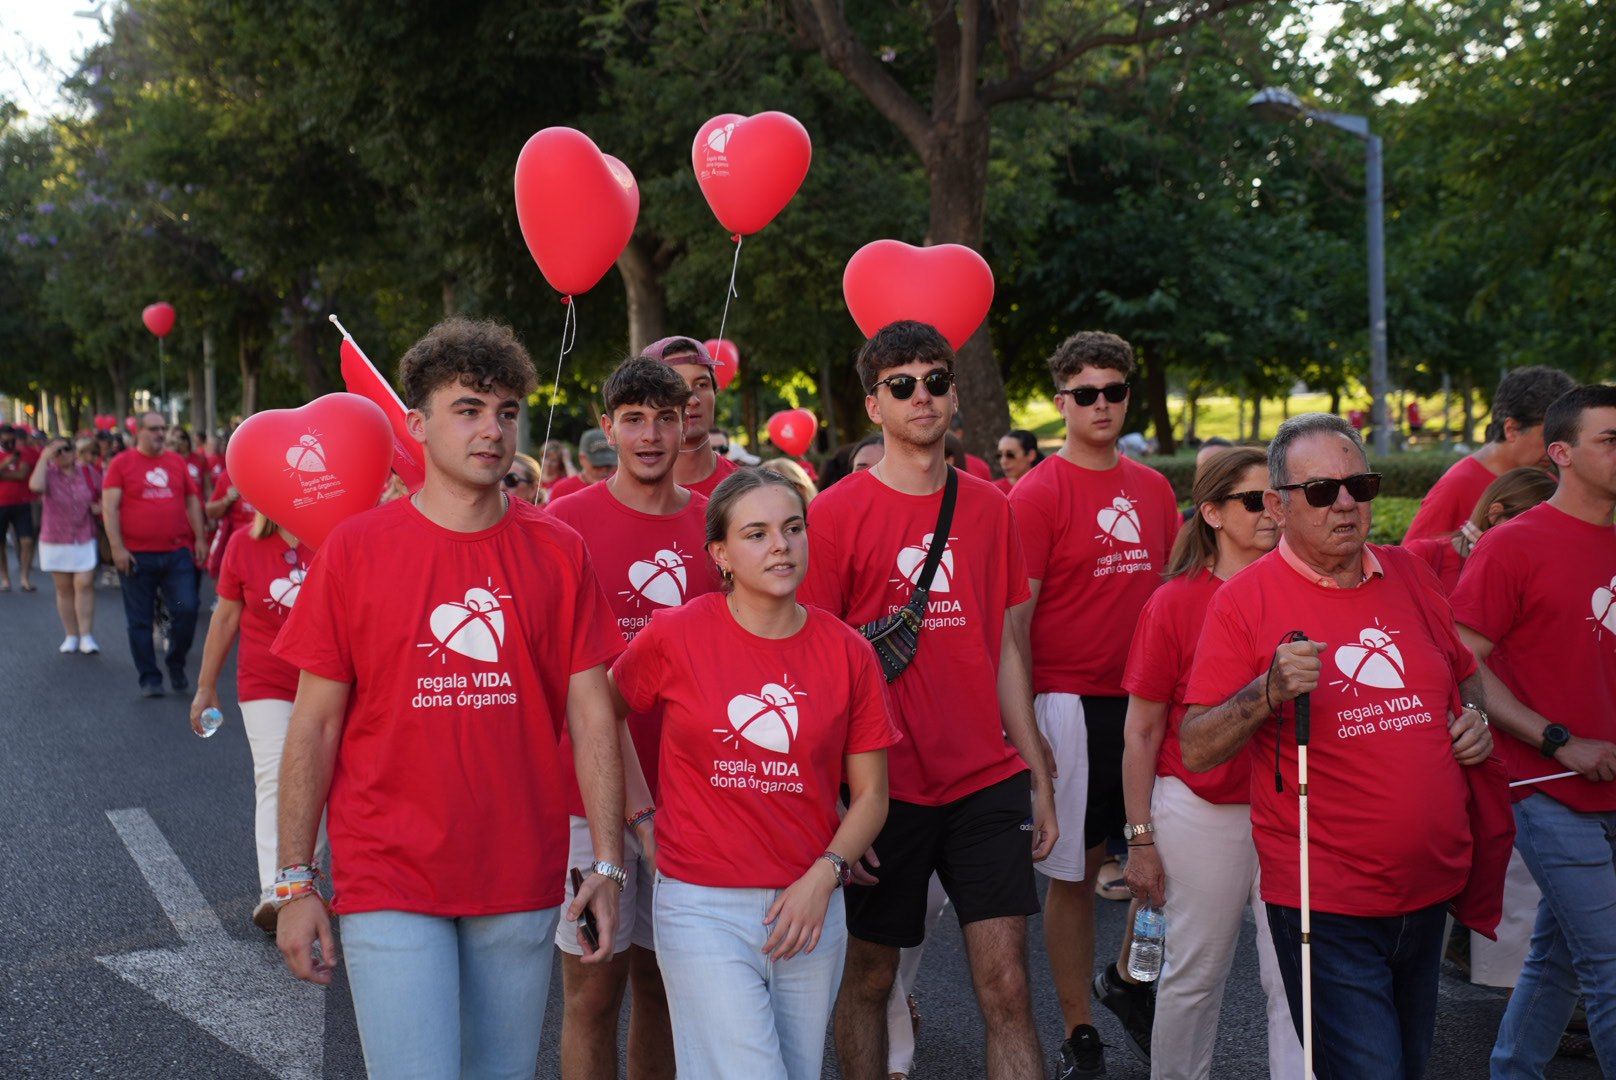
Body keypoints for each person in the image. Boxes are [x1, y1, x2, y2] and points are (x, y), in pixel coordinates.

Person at [269, 317, 628, 1079]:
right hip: (389, 871)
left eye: (505, 412)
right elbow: (314, 726)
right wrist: (295, 880)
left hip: (519, 871)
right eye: (468, 409)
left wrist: (606, 861)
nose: (491, 430)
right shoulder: (355, 551)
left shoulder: (560, 551)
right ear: (418, 425)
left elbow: (593, 714)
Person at [1178, 412, 1495, 1080]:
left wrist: (1472, 721)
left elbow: (1465, 682)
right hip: (1328, 900)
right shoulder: (1244, 601)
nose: (1346, 503)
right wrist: (1264, 692)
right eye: (1323, 491)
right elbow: (1197, 745)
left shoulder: (1409, 573)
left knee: (1405, 1065)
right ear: (1278, 504)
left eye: (1360, 485)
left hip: (1427, 887)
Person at [803, 320, 1056, 1080]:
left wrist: (1037, 768)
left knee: (1008, 986)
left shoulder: (990, 507)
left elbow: (1004, 646)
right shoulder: (834, 514)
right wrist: (839, 805)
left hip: (985, 778)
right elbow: (815, 668)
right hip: (886, 788)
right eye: (903, 385)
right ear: (873, 404)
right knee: (872, 980)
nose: (924, 396)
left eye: (937, 380)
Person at [612, 467, 898, 1079]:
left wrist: (825, 876)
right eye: (758, 533)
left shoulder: (850, 651)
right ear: (720, 553)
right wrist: (640, 818)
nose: (781, 546)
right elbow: (599, 716)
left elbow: (873, 795)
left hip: (811, 905)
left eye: (793, 528)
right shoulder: (676, 634)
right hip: (701, 905)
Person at [1007, 330, 1180, 1075]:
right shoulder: (1038, 492)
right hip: (1071, 705)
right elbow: (1013, 626)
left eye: (1114, 391)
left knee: (1165, 863)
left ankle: (1124, 978)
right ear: (1060, 403)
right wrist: (1025, 730)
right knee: (1075, 876)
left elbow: (1177, 599)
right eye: (1086, 394)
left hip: (1151, 703)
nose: (1101, 405)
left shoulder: (1153, 489)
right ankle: (1080, 1025)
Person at [545, 357, 723, 1080]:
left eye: (665, 418)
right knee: (592, 993)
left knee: (662, 988)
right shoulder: (565, 525)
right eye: (634, 419)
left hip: (692, 796)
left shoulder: (717, 525)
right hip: (590, 801)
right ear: (607, 424)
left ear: (687, 424)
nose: (650, 435)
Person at [1117, 447, 1300, 1079]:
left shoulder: (1307, 588)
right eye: (1255, 500)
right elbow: (1141, 731)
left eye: (1278, 496)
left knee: (1297, 979)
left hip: (1295, 808)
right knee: (1194, 975)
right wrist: (1139, 838)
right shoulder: (1174, 602)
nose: (1271, 511)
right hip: (1202, 810)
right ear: (1214, 513)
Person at [1449, 384, 1616, 1076]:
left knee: (1560, 956)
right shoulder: (1514, 546)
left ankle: (1512, 1069)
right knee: (1611, 964)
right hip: (1547, 784)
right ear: (1561, 453)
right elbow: (1465, 664)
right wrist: (1556, 739)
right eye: (1611, 440)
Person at [189, 512, 315, 932]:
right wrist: (206, 685)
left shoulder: (336, 534)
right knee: (275, 777)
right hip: (266, 680)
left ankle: (305, 880)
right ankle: (274, 892)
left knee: (320, 780)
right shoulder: (243, 543)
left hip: (327, 681)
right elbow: (225, 618)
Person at [1403, 366, 1573, 542]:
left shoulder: (1550, 484)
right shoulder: (1458, 486)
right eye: (1548, 436)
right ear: (1511, 429)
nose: (1558, 449)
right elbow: (1408, 563)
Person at [102, 412, 206, 697]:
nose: (160, 434)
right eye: (154, 429)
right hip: (137, 557)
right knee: (140, 620)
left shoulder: (176, 462)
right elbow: (109, 507)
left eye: (163, 429)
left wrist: (199, 537)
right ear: (139, 432)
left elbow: (191, 499)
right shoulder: (121, 464)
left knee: (187, 608)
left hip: (176, 554)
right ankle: (150, 677)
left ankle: (176, 661)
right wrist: (117, 548)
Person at [1404, 467, 1557, 595]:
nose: (1537, 542)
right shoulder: (1424, 555)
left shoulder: (1531, 570)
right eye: (1529, 532)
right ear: (1495, 513)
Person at [640, 336, 739, 498]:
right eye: (675, 387)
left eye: (702, 384)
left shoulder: (746, 490)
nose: (693, 400)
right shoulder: (619, 496)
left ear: (715, 391)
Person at [29, 437, 100, 654]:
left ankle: (86, 635)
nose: (62, 455)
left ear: (74, 450)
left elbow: (103, 492)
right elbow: (35, 486)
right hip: (56, 539)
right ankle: (71, 635)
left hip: (84, 535)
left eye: (66, 449)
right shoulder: (48, 474)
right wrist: (44, 457)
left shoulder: (87, 472)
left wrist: (99, 507)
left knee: (84, 583)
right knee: (64, 589)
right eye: (57, 451)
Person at [0, 423, 41, 592]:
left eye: (11, 440)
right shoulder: (8, 456)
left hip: (22, 503)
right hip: (1, 504)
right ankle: (5, 578)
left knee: (27, 540)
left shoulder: (22, 453)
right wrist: (7, 463)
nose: (9, 444)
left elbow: (22, 474)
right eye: (5, 441)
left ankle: (24, 577)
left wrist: (2, 474)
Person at [548, 429, 617, 501]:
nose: (604, 470)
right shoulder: (562, 490)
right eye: (597, 465)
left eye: (608, 465)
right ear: (582, 459)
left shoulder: (621, 487)